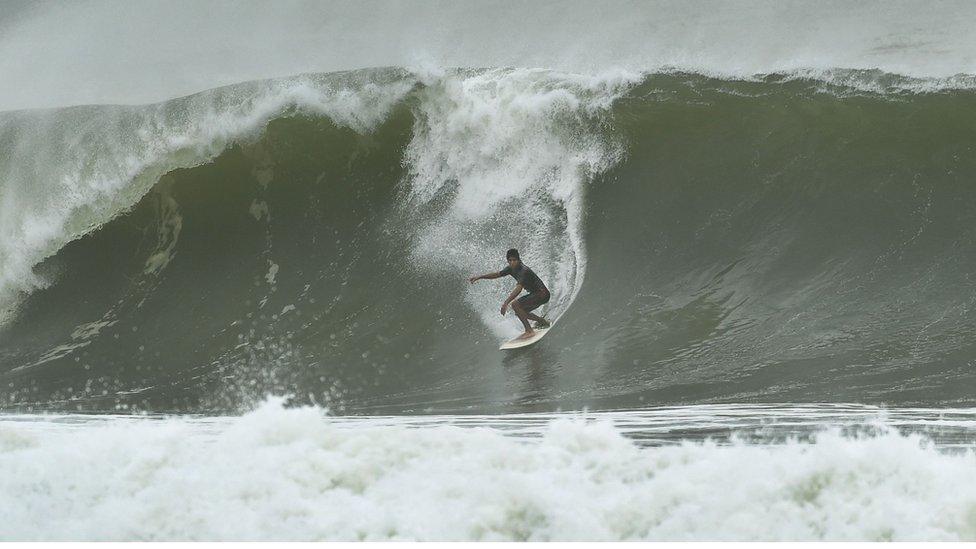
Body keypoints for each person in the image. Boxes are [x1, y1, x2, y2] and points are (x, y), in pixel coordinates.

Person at [469, 248, 551, 339]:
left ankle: (529, 331)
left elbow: (519, 289)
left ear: (519, 260)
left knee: (515, 305)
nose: (512, 262)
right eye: (510, 260)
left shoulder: (524, 271)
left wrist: (506, 302)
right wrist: (480, 277)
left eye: (514, 260)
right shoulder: (510, 268)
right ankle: (541, 321)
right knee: (520, 312)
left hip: (542, 294)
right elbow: (497, 274)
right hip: (537, 294)